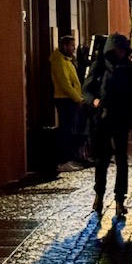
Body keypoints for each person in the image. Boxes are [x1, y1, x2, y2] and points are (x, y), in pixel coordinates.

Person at [83, 34, 132, 219]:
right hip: (102, 119)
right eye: (118, 50)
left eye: (122, 50)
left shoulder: (129, 67)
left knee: (121, 160)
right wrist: (95, 101)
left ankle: (120, 199)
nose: (120, 53)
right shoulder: (99, 66)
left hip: (121, 118)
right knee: (102, 159)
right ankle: (99, 195)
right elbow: (87, 89)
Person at [51, 35, 85, 169]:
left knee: (70, 129)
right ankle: (63, 161)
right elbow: (65, 83)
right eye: (72, 46)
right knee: (65, 130)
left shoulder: (66, 60)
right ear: (64, 46)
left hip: (69, 99)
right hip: (65, 99)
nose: (74, 48)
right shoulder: (59, 61)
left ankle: (68, 159)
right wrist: (77, 98)